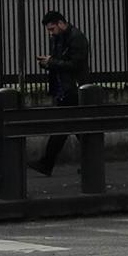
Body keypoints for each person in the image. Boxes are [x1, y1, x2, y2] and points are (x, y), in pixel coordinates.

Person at [29, 10, 89, 175]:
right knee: (75, 128)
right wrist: (48, 62)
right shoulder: (58, 38)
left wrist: (52, 62)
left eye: (52, 28)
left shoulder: (76, 38)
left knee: (63, 128)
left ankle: (47, 164)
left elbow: (75, 64)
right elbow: (59, 61)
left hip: (73, 89)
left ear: (61, 23)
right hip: (64, 89)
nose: (51, 32)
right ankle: (91, 164)